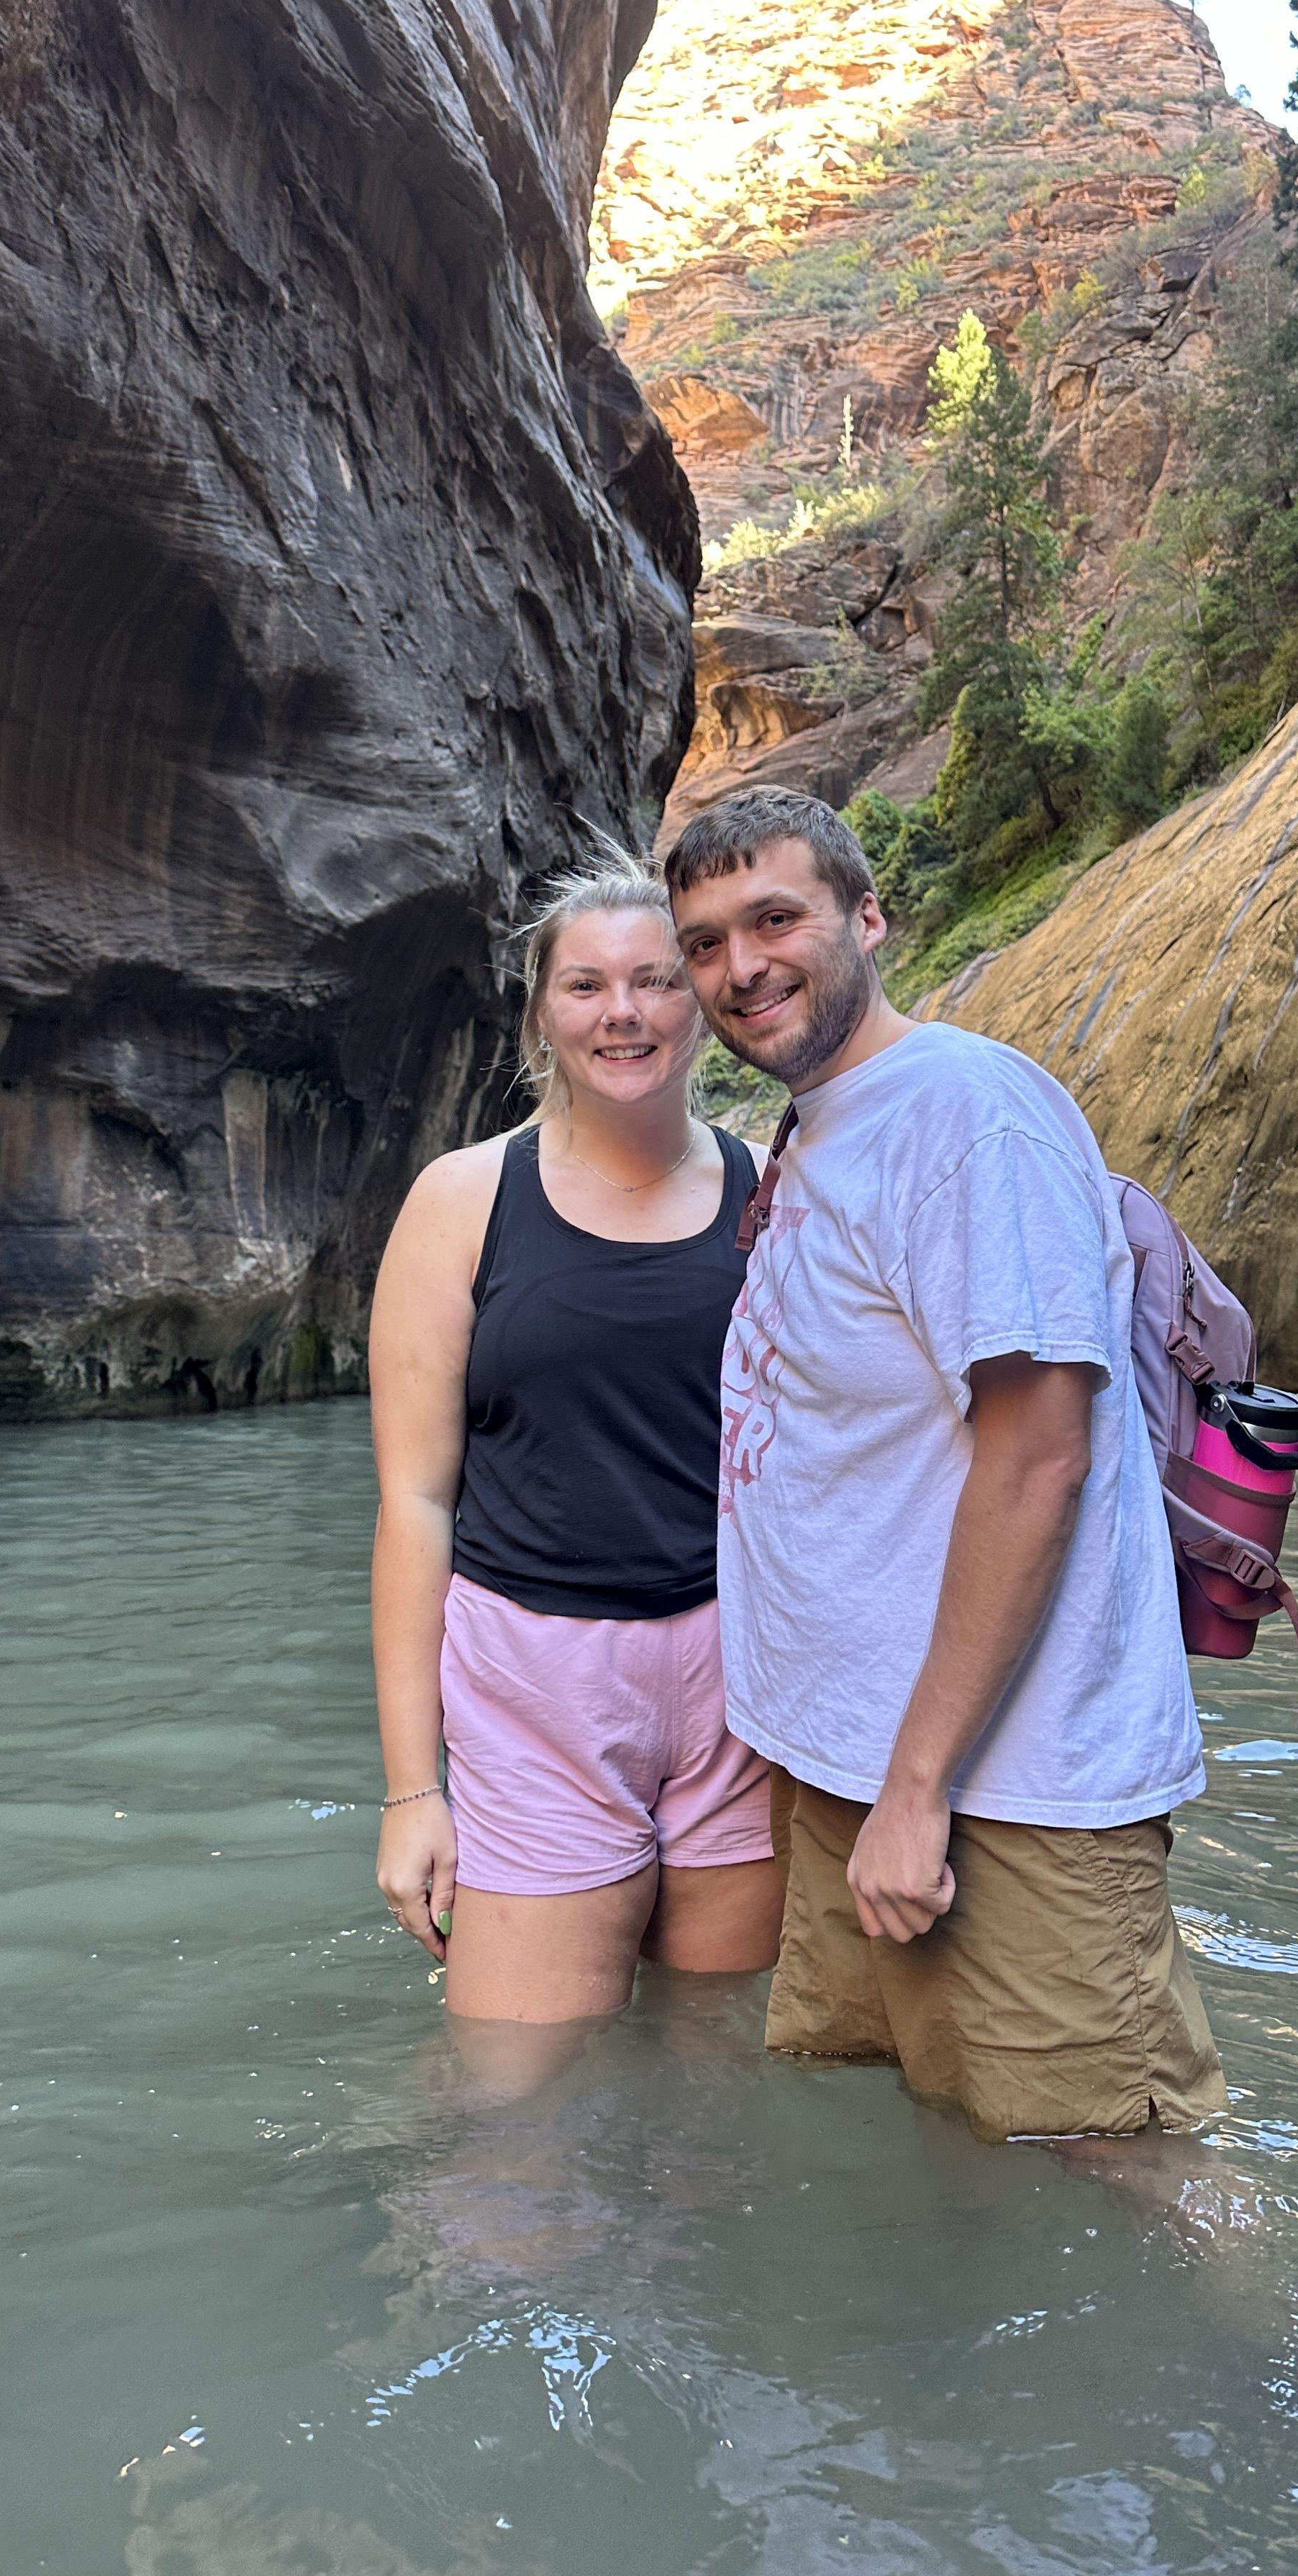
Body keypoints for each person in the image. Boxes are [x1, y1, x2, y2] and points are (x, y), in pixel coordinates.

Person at [662, 786, 1226, 2145]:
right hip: (857, 1767)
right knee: (912, 2145)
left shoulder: (967, 1116)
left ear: (869, 918)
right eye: (705, 941)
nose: (740, 967)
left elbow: (1039, 1461)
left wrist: (917, 1792)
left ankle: (1236, 2371)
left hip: (1005, 1789)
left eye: (776, 918)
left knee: (1115, 2174)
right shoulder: (823, 1132)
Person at [368, 850, 784, 2029]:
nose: (625, 1014)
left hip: (738, 1686)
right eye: (587, 986)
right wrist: (414, 1792)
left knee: (716, 2084)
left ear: (699, 1001)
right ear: (541, 1013)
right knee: (513, 2115)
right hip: (531, 1683)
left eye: (657, 980)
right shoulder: (460, 1201)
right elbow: (414, 1503)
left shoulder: (772, 1194)